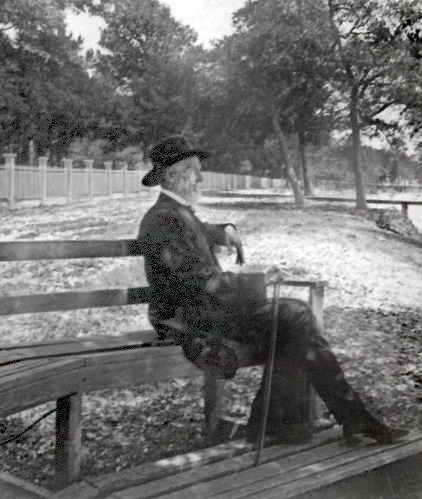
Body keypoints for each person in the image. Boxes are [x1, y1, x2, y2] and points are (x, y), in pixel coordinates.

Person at [137, 135, 408, 445]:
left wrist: (222, 230)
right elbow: (198, 280)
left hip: (202, 310)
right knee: (296, 318)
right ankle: (290, 420)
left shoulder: (176, 213)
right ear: (172, 175)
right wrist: (260, 280)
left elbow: (197, 234)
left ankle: (319, 419)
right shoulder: (164, 220)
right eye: (193, 171)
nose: (200, 177)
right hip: (186, 319)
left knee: (296, 320)